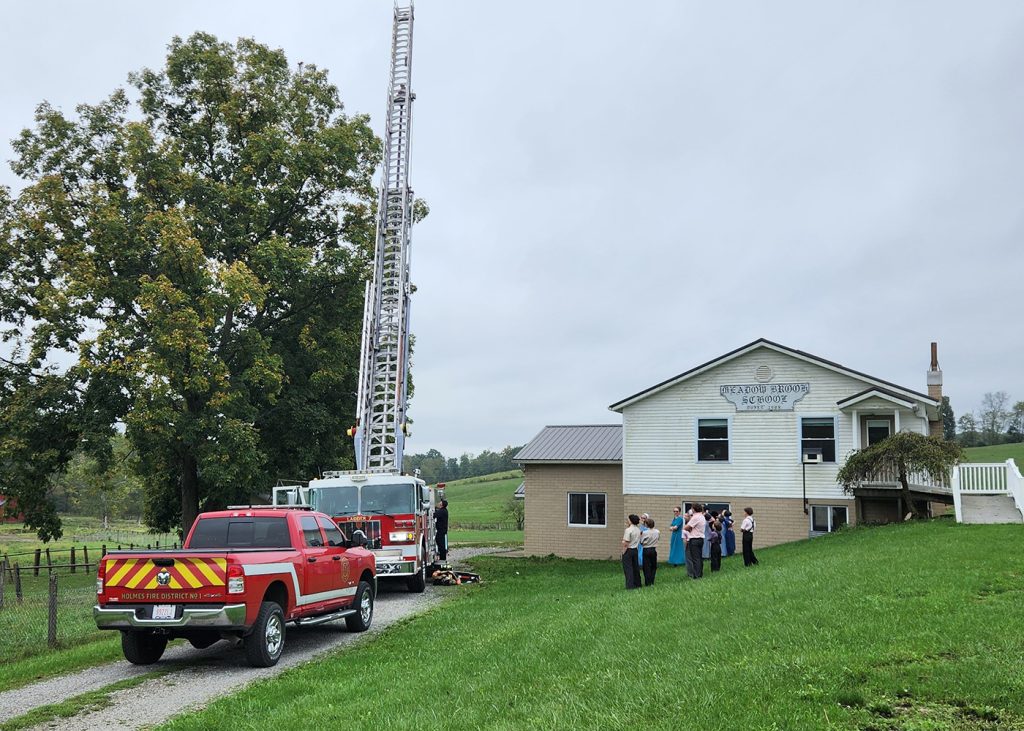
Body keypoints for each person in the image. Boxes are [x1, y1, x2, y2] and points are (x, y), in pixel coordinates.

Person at [683, 503, 706, 579]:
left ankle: (697, 575)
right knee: (699, 557)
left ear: (694, 509)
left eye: (692, 508)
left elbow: (686, 527)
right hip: (701, 538)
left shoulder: (695, 517)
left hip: (694, 539)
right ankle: (700, 573)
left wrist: (687, 527)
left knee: (695, 558)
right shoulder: (702, 516)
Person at [621, 514, 642, 590]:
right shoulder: (638, 529)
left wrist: (623, 552)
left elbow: (626, 543)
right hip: (635, 550)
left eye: (628, 519)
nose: (627, 520)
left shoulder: (628, 530)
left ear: (631, 521)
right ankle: (638, 584)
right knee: (635, 567)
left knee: (628, 568)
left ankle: (630, 586)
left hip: (629, 550)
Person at [640, 518, 660, 586]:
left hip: (646, 549)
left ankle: (647, 582)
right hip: (653, 549)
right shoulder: (657, 531)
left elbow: (641, 541)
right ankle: (652, 581)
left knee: (646, 566)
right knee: (653, 566)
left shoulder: (644, 533)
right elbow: (658, 539)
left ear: (647, 525)